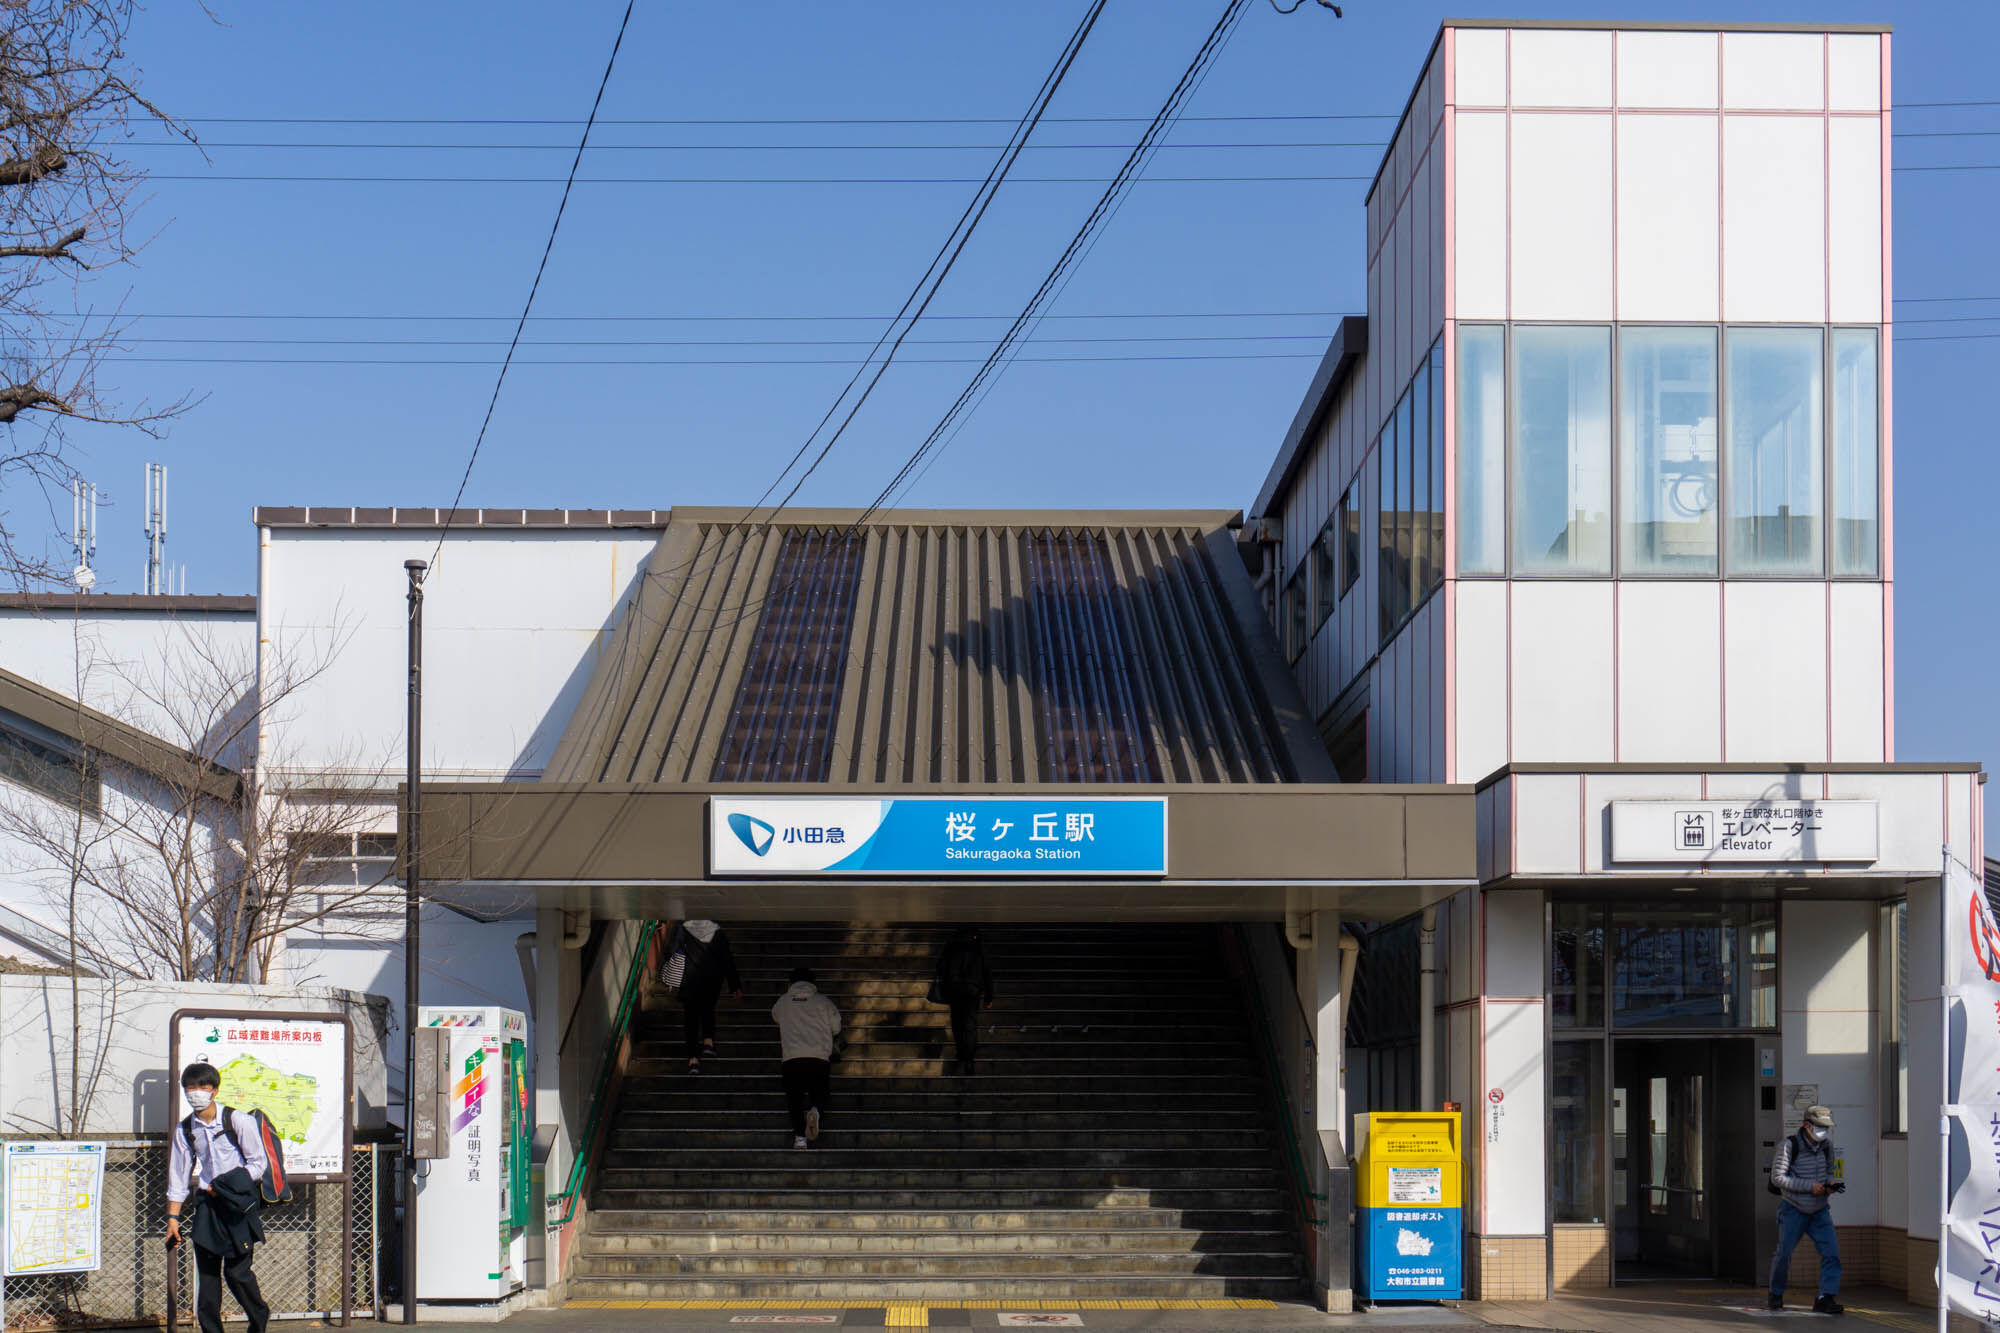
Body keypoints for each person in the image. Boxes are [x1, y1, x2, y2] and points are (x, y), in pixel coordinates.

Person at [165, 1062, 272, 1333]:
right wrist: (173, 1218)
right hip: (207, 1207)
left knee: (237, 1274)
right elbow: (178, 1176)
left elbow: (258, 1164)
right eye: (190, 1087)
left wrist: (224, 1185)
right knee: (208, 1277)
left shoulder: (237, 1121)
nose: (196, 1092)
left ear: (215, 1090)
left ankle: (258, 1318)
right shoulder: (186, 1129)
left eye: (203, 1086)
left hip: (237, 1207)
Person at [1769, 1104, 1844, 1314]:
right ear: (1806, 1126)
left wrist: (1830, 1185)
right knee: (1784, 1253)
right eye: (1820, 1127)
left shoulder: (1827, 1146)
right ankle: (1775, 1294)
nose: (1823, 1132)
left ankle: (1826, 1297)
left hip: (1820, 1210)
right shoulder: (1789, 1146)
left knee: (1832, 1254)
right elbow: (1777, 1178)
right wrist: (1809, 1187)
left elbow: (1830, 1171)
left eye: (1826, 1127)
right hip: (1793, 1208)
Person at [771, 965, 841, 1149]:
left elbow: (775, 1017)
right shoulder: (823, 1002)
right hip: (818, 1056)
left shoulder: (783, 1002)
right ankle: (816, 1110)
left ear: (791, 983)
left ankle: (800, 1138)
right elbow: (837, 1027)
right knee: (821, 1092)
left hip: (792, 1058)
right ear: (812, 982)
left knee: (794, 1098)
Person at [668, 919, 742, 1073]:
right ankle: (708, 1042)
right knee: (708, 1008)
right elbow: (727, 959)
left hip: (689, 980)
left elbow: (672, 951)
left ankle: (693, 1060)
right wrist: (734, 985)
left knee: (691, 1019)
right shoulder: (717, 933)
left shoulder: (684, 929)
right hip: (711, 980)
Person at [934, 924, 993, 1075]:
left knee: (957, 1022)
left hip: (955, 990)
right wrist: (989, 996)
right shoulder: (978, 949)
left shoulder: (952, 946)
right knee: (970, 1024)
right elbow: (987, 972)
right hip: (972, 991)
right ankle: (969, 1059)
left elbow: (940, 967)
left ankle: (961, 1052)